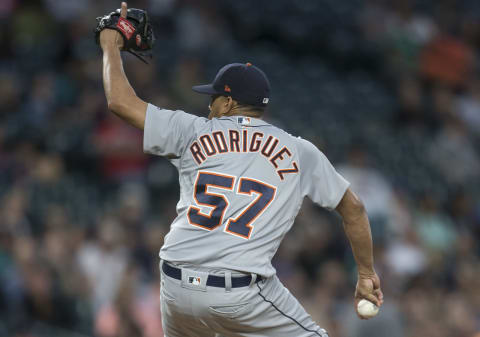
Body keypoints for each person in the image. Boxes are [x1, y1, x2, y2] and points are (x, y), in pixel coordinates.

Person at [99, 3, 383, 336]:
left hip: (175, 285)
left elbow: (120, 102)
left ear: (229, 102)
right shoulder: (299, 150)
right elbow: (354, 208)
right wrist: (365, 275)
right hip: (239, 292)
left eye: (214, 98)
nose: (209, 104)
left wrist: (109, 44)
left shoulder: (193, 130)